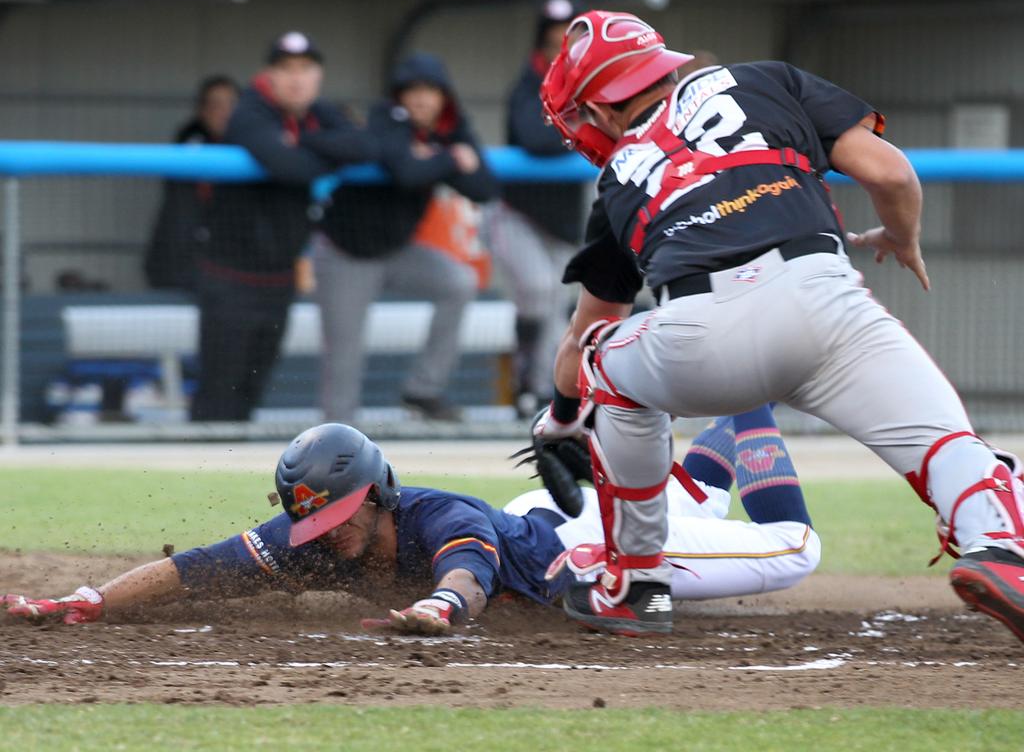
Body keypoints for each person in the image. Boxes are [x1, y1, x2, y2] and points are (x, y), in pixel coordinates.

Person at [536, 9, 1024, 638]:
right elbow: (892, 173)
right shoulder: (764, 81)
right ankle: (1001, 550)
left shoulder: (618, 178)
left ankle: (635, 582)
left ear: (599, 110)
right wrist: (901, 238)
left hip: (703, 334)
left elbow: (584, 338)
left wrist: (559, 418)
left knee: (607, 360)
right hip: (829, 302)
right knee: (948, 444)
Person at [2, 407, 819, 634]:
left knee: (795, 552)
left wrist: (440, 607)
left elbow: (467, 571)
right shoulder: (314, 539)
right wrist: (89, 600)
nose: (333, 536)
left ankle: (751, 399)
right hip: (542, 520)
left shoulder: (439, 517)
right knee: (697, 501)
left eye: (346, 516)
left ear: (379, 494)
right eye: (319, 523)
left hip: (591, 547)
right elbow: (196, 571)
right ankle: (735, 425)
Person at [190, 32, 378, 422]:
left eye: (305, 69)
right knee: (219, 392)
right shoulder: (250, 110)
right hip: (230, 276)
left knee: (252, 389)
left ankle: (229, 475)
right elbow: (289, 168)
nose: (296, 78)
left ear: (318, 75)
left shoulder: (314, 114)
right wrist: (324, 152)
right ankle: (200, 474)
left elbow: (364, 145)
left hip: (279, 277)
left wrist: (303, 140)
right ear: (270, 75)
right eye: (286, 69)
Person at [315, 52, 499, 423]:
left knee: (458, 282)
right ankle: (338, 439)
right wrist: (449, 160)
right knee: (345, 354)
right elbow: (406, 172)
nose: (420, 98)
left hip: (398, 250)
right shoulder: (387, 117)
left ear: (443, 96)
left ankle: (423, 389)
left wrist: (434, 155)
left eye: (430, 90)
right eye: (412, 90)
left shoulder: (451, 126)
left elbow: (485, 186)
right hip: (346, 250)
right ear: (398, 95)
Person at [488, 0, 586, 418]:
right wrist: (582, 124)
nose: (558, 54)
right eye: (552, 43)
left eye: (568, 44)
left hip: (566, 222)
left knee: (560, 308)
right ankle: (525, 387)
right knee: (539, 289)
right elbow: (535, 137)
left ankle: (543, 397)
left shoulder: (594, 85)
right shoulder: (528, 86)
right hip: (516, 216)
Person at [144, 75, 240, 292]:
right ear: (202, 111)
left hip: (235, 270)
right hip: (182, 266)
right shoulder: (188, 142)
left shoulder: (251, 144)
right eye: (216, 105)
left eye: (231, 104)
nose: (224, 112)